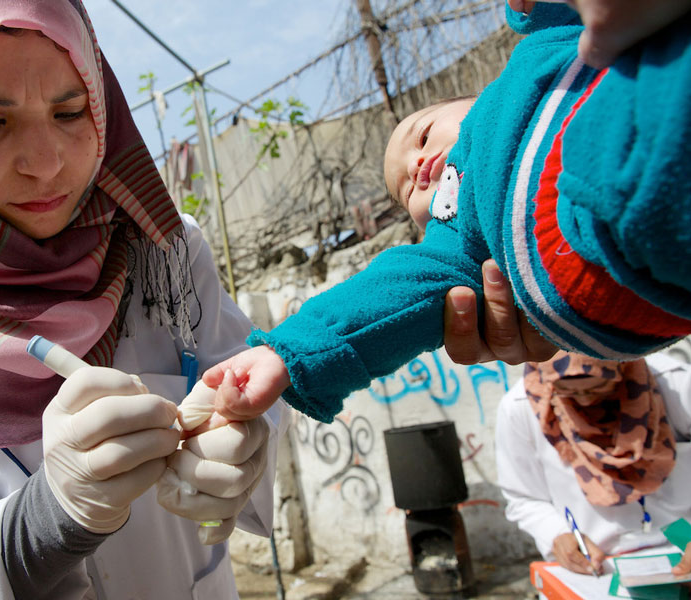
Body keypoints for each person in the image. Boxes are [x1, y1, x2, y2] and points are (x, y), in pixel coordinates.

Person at [0, 1, 288, 598]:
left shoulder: (166, 254)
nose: (46, 164)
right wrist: (45, 521)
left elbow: (246, 385)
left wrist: (243, 443)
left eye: (71, 111)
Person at [200, 0, 691, 424]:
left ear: (478, 100)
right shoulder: (455, 243)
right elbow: (385, 295)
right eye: (403, 190)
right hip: (635, 273)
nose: (415, 166)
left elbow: (552, 16)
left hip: (623, 135)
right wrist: (289, 354)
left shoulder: (540, 70)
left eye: (421, 135)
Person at [496, 350, 691, 577]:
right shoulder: (520, 407)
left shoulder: (676, 384)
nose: (585, 400)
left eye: (598, 388)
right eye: (568, 391)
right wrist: (556, 535)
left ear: (622, 367)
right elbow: (523, 497)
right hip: (597, 569)